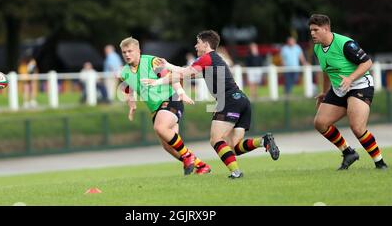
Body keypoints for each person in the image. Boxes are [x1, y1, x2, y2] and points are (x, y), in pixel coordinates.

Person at [142, 30, 280, 179]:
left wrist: (163, 70)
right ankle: (263, 141)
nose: (196, 46)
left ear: (206, 44)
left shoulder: (207, 58)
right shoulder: (213, 60)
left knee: (216, 140)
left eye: (198, 43)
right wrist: (161, 76)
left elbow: (184, 72)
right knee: (232, 147)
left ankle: (236, 172)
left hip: (228, 101)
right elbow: (182, 74)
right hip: (242, 100)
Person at [118, 37, 211, 175]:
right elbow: (128, 90)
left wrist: (181, 93)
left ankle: (187, 156)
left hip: (171, 99)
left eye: (130, 51)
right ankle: (202, 166)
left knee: (160, 127)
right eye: (124, 52)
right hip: (155, 109)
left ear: (138, 50)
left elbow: (171, 77)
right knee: (168, 146)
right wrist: (131, 104)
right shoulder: (124, 72)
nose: (127, 54)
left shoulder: (152, 61)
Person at [309, 14, 387, 170]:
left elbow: (367, 62)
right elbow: (326, 71)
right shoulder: (318, 48)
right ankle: (348, 152)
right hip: (339, 89)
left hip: (359, 85)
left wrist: (350, 78)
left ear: (326, 29)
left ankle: (380, 163)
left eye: (316, 30)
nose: (312, 33)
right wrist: (325, 92)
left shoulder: (345, 44)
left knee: (357, 127)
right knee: (320, 123)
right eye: (311, 30)